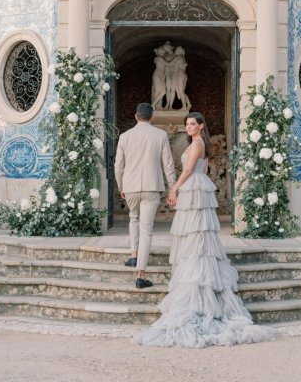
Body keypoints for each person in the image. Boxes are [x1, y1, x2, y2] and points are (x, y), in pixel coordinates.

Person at [134, 112, 274, 347]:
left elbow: (188, 170)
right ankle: (193, 265)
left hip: (191, 185)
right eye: (186, 124)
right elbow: (204, 170)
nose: (188, 127)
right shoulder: (199, 144)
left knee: (196, 231)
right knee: (195, 231)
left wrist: (174, 189)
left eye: (192, 124)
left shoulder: (198, 144)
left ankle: (195, 275)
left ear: (200, 126)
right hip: (197, 187)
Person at [114, 102, 176, 288]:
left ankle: (134, 255)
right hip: (151, 186)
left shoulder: (125, 136)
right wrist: (173, 187)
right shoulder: (160, 135)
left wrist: (121, 186)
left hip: (130, 186)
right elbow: (168, 164)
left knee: (134, 219)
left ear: (136, 116)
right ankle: (141, 274)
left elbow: (118, 165)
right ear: (152, 117)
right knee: (146, 229)